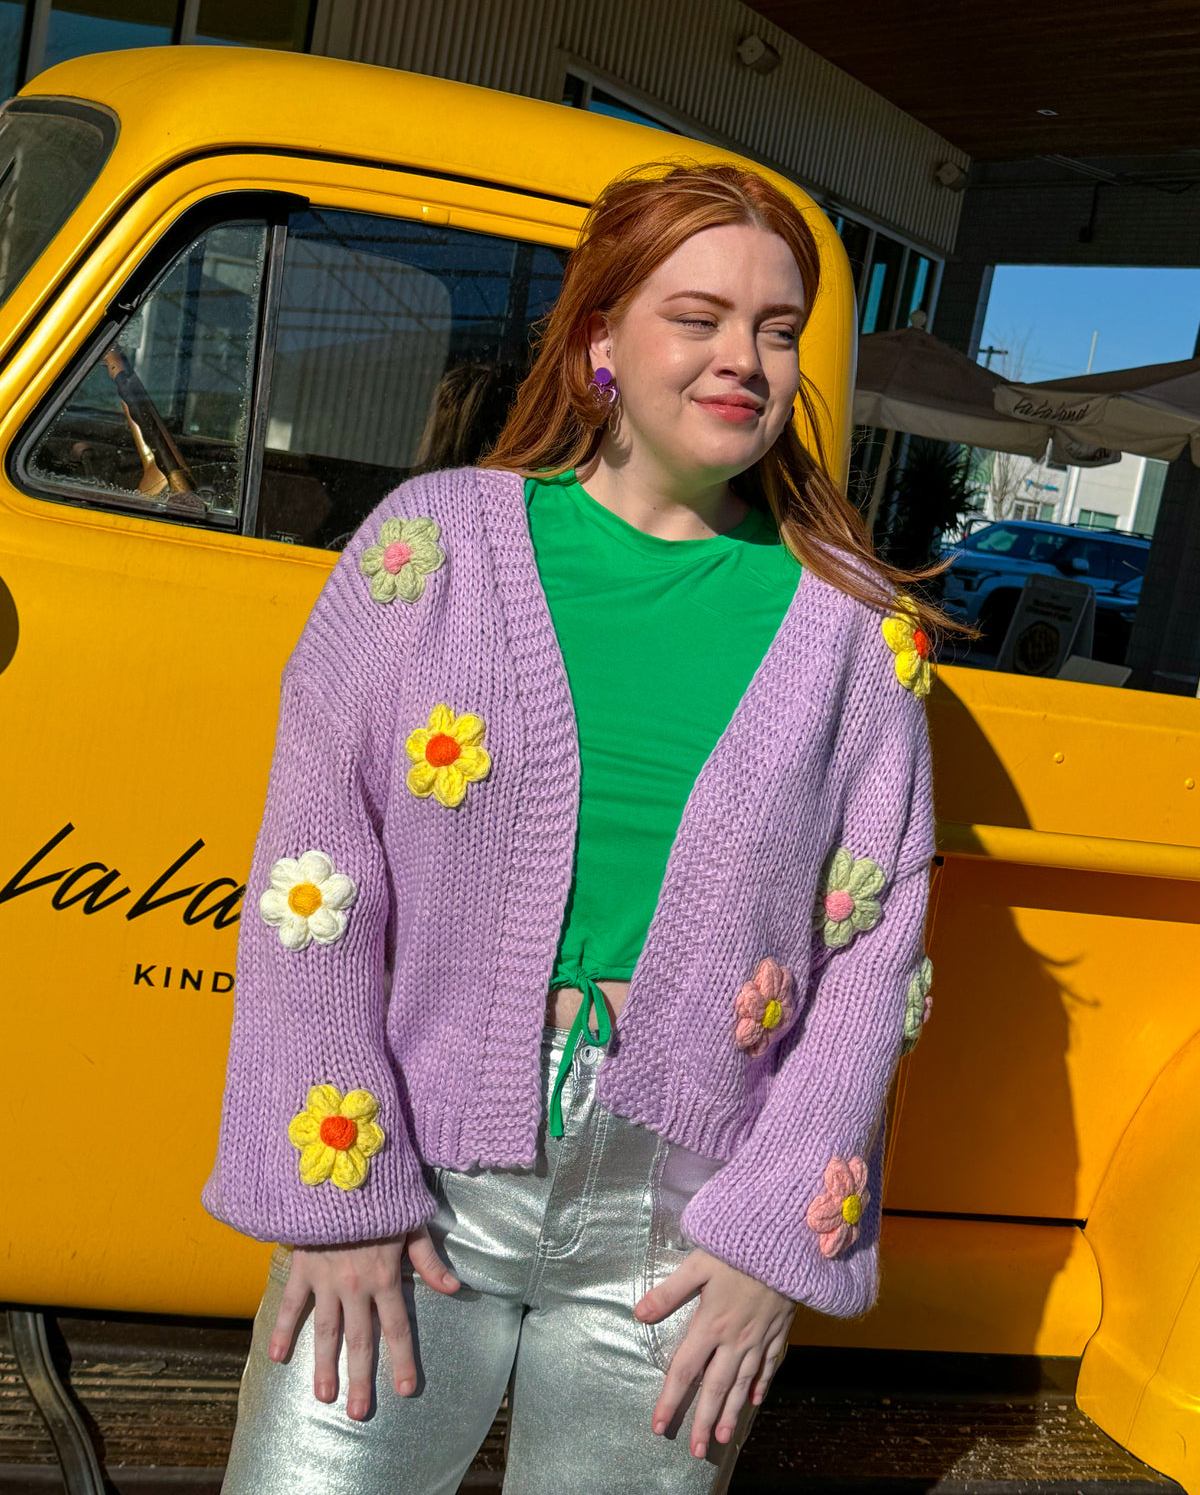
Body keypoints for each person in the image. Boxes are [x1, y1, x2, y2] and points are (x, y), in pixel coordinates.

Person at [204, 160, 961, 1495]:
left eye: (777, 330)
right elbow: (313, 880)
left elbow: (874, 953)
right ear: (601, 338)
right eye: (699, 318)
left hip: (684, 1226)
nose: (743, 360)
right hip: (410, 1174)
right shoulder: (430, 553)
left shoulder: (851, 628)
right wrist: (331, 1198)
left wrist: (774, 1239)